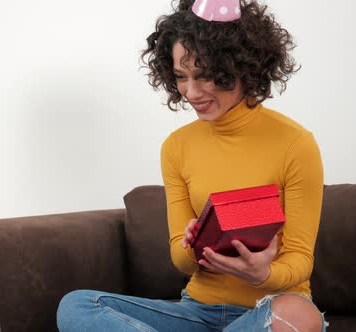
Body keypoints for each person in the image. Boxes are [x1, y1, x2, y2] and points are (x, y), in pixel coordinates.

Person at [56, 0, 327, 331]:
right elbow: (180, 260)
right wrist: (192, 246)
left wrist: (264, 274)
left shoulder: (295, 143)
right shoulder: (176, 147)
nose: (191, 92)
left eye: (205, 76)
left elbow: (300, 259)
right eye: (181, 77)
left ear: (241, 67)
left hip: (269, 308)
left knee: (299, 316)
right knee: (77, 306)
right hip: (196, 313)